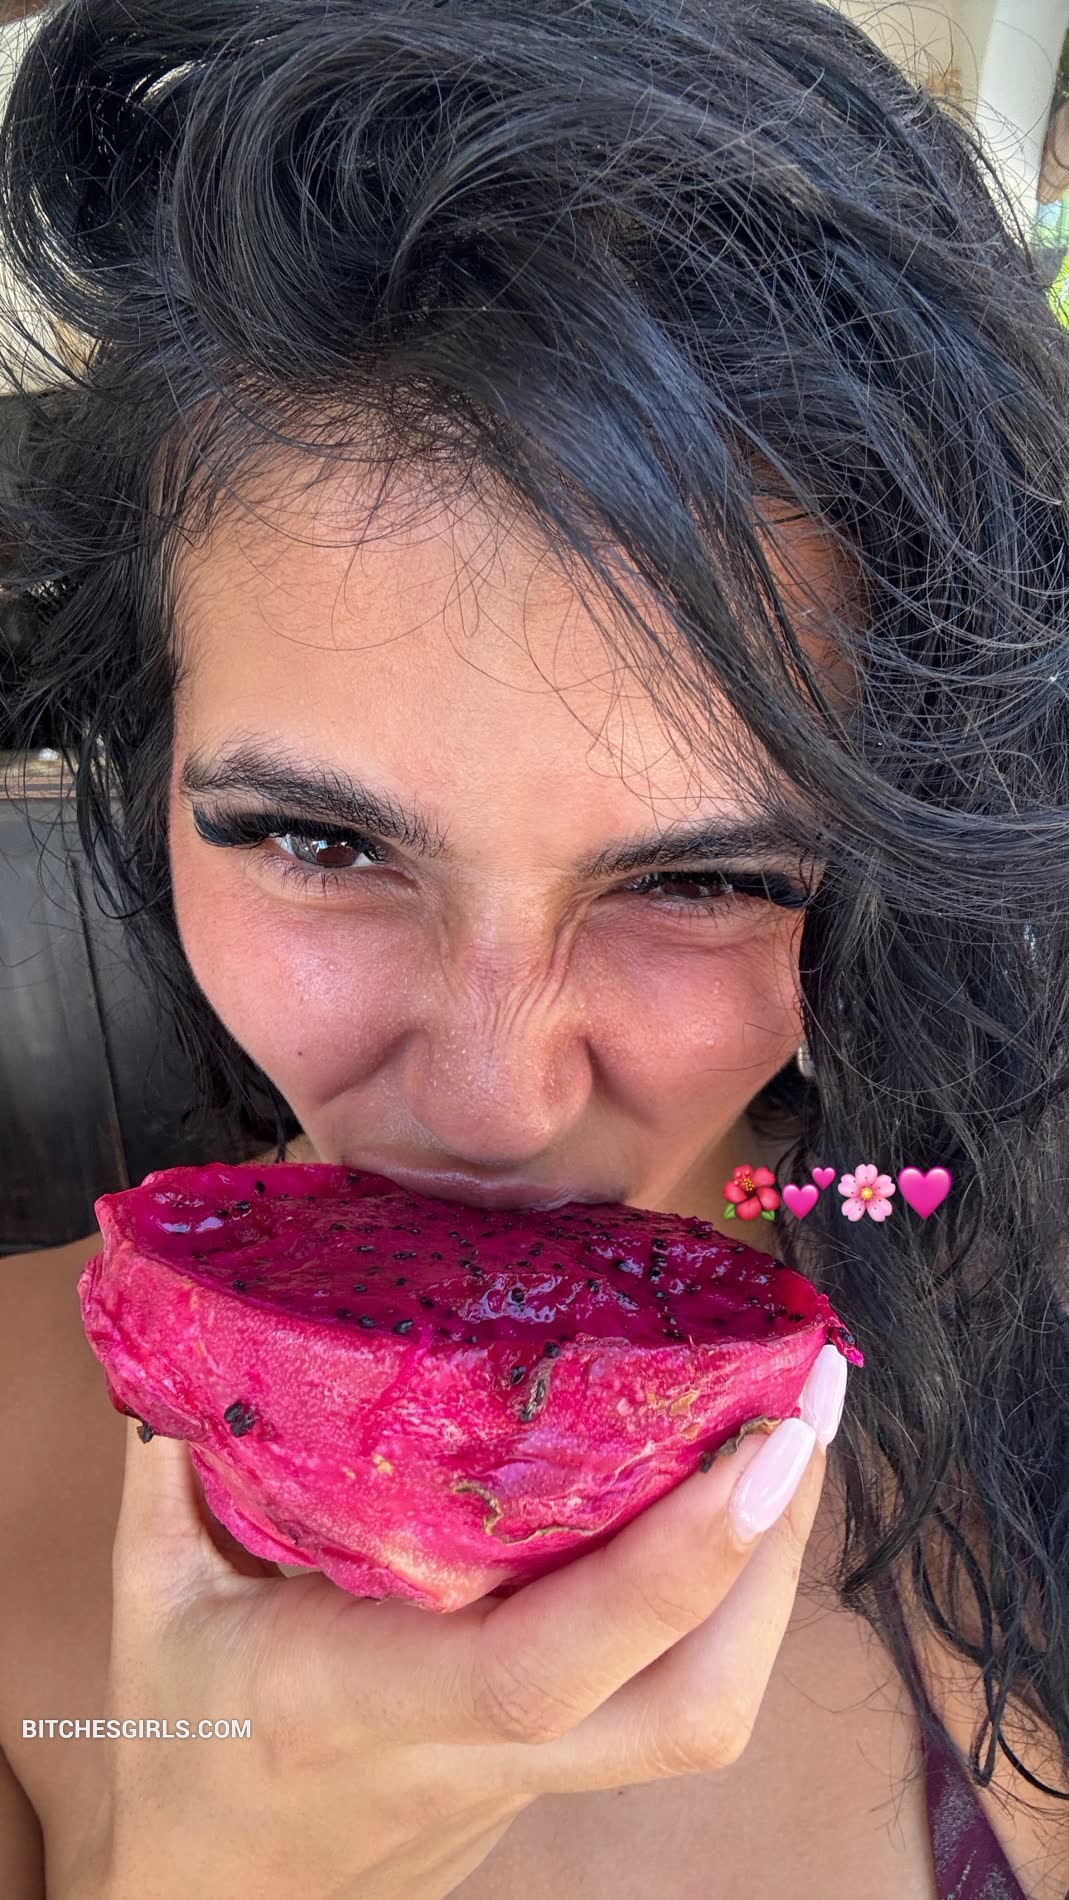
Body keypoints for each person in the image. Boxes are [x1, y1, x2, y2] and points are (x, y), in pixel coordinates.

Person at [1, 0, 1068, 1894]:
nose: (494, 1100)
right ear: (153, 774)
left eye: (704, 879)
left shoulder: (1025, 1445)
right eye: (317, 840)